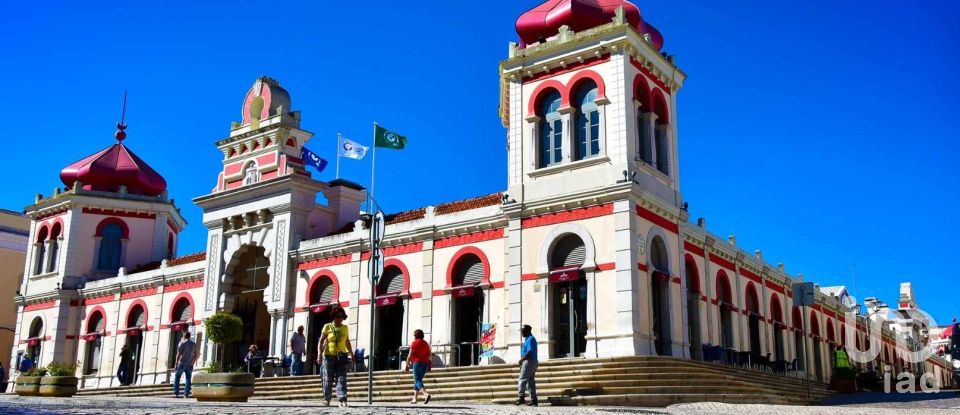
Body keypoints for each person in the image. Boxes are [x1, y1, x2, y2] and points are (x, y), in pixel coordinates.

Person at [317, 306, 353, 407]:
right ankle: (327, 399)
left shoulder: (345, 328)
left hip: (342, 356)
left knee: (341, 378)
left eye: (341, 316)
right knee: (327, 379)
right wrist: (319, 354)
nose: (340, 318)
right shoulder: (327, 326)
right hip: (329, 356)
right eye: (337, 316)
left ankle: (342, 399)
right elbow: (321, 341)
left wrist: (351, 353)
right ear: (333, 316)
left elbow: (347, 341)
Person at [404, 329, 432, 404]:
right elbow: (429, 355)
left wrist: (407, 365)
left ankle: (426, 394)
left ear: (416, 336)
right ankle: (414, 399)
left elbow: (409, 356)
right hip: (425, 364)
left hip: (417, 363)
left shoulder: (414, 343)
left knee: (417, 380)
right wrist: (429, 365)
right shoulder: (426, 343)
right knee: (418, 380)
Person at [517, 324, 538, 406]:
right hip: (532, 361)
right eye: (522, 331)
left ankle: (521, 397)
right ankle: (533, 400)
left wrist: (521, 360)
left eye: (524, 331)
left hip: (529, 361)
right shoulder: (528, 339)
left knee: (522, 378)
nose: (522, 333)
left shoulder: (530, 339)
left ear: (528, 331)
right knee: (530, 381)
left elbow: (529, 352)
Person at [172, 331, 199, 398]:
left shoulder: (181, 343)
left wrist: (176, 363)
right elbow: (196, 355)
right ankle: (186, 394)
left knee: (177, 377)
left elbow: (178, 354)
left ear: (184, 336)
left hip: (182, 363)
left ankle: (176, 393)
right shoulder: (193, 344)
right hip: (189, 364)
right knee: (188, 379)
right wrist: (193, 363)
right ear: (189, 336)